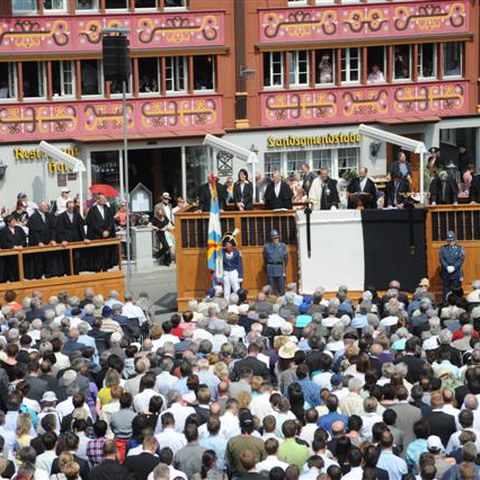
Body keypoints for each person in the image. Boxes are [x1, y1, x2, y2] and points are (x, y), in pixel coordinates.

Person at [26, 201, 64, 279]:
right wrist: (39, 242)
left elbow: (53, 229)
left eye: (47, 206)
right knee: (39, 260)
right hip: (38, 242)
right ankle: (39, 276)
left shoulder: (49, 216)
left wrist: (53, 239)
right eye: (44, 206)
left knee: (49, 259)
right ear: (40, 207)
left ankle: (48, 274)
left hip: (48, 241)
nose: (46, 208)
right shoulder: (34, 217)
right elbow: (34, 232)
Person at [85, 193, 116, 272]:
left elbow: (111, 221)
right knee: (98, 255)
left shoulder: (108, 208)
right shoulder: (92, 210)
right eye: (102, 199)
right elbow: (92, 223)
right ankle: (98, 270)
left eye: (104, 198)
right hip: (97, 236)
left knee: (106, 255)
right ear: (98, 200)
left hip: (107, 236)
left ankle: (105, 269)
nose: (104, 200)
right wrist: (101, 231)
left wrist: (108, 230)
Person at [56, 200, 89, 274]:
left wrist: (84, 238)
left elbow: (81, 227)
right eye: (70, 208)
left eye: (72, 208)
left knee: (77, 258)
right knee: (67, 259)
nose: (71, 209)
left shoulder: (77, 215)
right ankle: (69, 274)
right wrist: (62, 240)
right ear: (67, 207)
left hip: (76, 240)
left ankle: (76, 273)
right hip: (67, 241)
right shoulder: (61, 216)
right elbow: (59, 230)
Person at [0, 214, 26, 282]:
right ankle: (10, 279)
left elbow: (24, 238)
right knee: (10, 266)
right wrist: (12, 247)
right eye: (12, 221)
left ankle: (20, 278)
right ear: (8, 223)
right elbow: (3, 242)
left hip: (19, 251)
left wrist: (21, 245)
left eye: (15, 221)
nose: (14, 222)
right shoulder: (3, 231)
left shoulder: (19, 229)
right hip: (9, 253)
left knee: (19, 265)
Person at [439, 231, 465, 299]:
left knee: (457, 289)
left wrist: (454, 267)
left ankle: (457, 303)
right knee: (446, 289)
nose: (451, 242)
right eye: (449, 240)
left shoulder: (460, 249)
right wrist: (447, 267)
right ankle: (446, 303)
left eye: (452, 240)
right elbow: (441, 259)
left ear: (455, 240)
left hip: (456, 272)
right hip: (446, 272)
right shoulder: (443, 249)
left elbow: (461, 259)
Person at [263, 230, 287, 296]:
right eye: (274, 238)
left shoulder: (283, 246)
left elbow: (286, 259)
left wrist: (283, 268)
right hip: (270, 268)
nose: (276, 239)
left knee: (281, 287)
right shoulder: (267, 247)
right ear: (271, 239)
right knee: (271, 288)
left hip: (279, 268)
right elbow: (265, 258)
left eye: (277, 237)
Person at [221, 232, 243, 299]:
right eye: (227, 244)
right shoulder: (221, 252)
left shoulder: (237, 252)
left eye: (229, 244)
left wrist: (240, 276)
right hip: (225, 273)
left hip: (234, 272)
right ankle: (226, 304)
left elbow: (240, 265)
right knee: (226, 290)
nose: (228, 246)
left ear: (232, 245)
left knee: (236, 289)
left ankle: (238, 302)